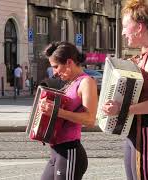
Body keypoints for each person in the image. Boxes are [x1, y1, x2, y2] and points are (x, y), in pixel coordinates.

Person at [102, 0, 148, 180]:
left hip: (147, 131)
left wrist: (122, 109)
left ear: (139, 27)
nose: (123, 32)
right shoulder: (142, 56)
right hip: (135, 131)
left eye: (126, 26)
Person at [40, 41, 98, 180]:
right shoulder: (69, 83)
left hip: (70, 152)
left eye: (56, 66)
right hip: (57, 152)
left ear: (69, 62)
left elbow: (90, 119)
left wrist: (56, 111)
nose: (54, 72)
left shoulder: (86, 82)